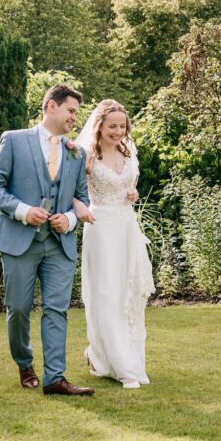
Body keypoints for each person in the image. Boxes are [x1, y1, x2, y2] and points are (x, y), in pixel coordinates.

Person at [0, 84, 96, 396]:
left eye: (76, 111)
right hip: (19, 240)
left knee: (56, 309)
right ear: (51, 106)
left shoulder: (76, 152)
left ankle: (55, 378)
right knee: (19, 309)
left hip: (58, 245)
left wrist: (70, 219)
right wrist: (22, 211)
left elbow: (81, 198)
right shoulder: (14, 140)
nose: (75, 117)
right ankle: (24, 362)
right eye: (71, 110)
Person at [73, 99, 156, 389]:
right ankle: (123, 368)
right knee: (107, 294)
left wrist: (132, 192)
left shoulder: (128, 150)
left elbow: (130, 183)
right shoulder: (86, 156)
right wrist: (77, 206)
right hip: (100, 227)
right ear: (99, 126)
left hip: (126, 226)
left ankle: (118, 358)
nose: (118, 131)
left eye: (122, 126)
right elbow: (67, 189)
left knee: (128, 293)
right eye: (112, 126)